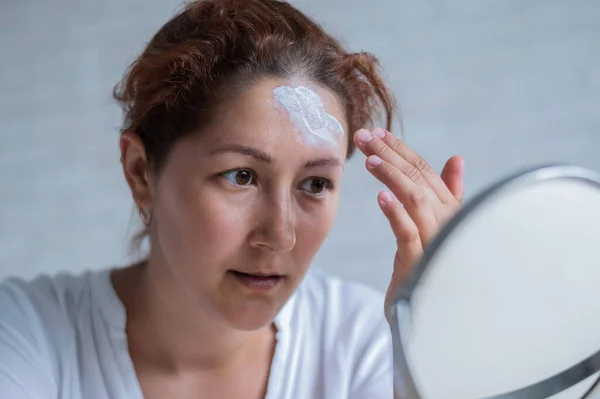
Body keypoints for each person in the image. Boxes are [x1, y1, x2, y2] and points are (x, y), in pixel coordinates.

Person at [0, 0, 464, 398]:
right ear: (141, 172)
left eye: (316, 184)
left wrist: (432, 362)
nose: (280, 236)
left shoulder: (370, 345)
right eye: (241, 176)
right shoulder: (26, 336)